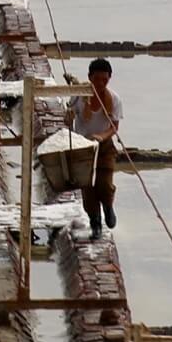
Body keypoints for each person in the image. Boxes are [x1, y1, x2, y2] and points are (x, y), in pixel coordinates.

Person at [68, 57, 123, 238]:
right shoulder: (79, 96)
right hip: (82, 147)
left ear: (110, 78)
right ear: (90, 77)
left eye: (104, 80)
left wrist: (101, 137)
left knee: (104, 183)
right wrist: (67, 120)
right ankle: (95, 224)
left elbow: (114, 126)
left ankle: (108, 207)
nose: (100, 83)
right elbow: (69, 116)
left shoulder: (114, 99)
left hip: (104, 147)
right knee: (88, 188)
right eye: (97, 79)